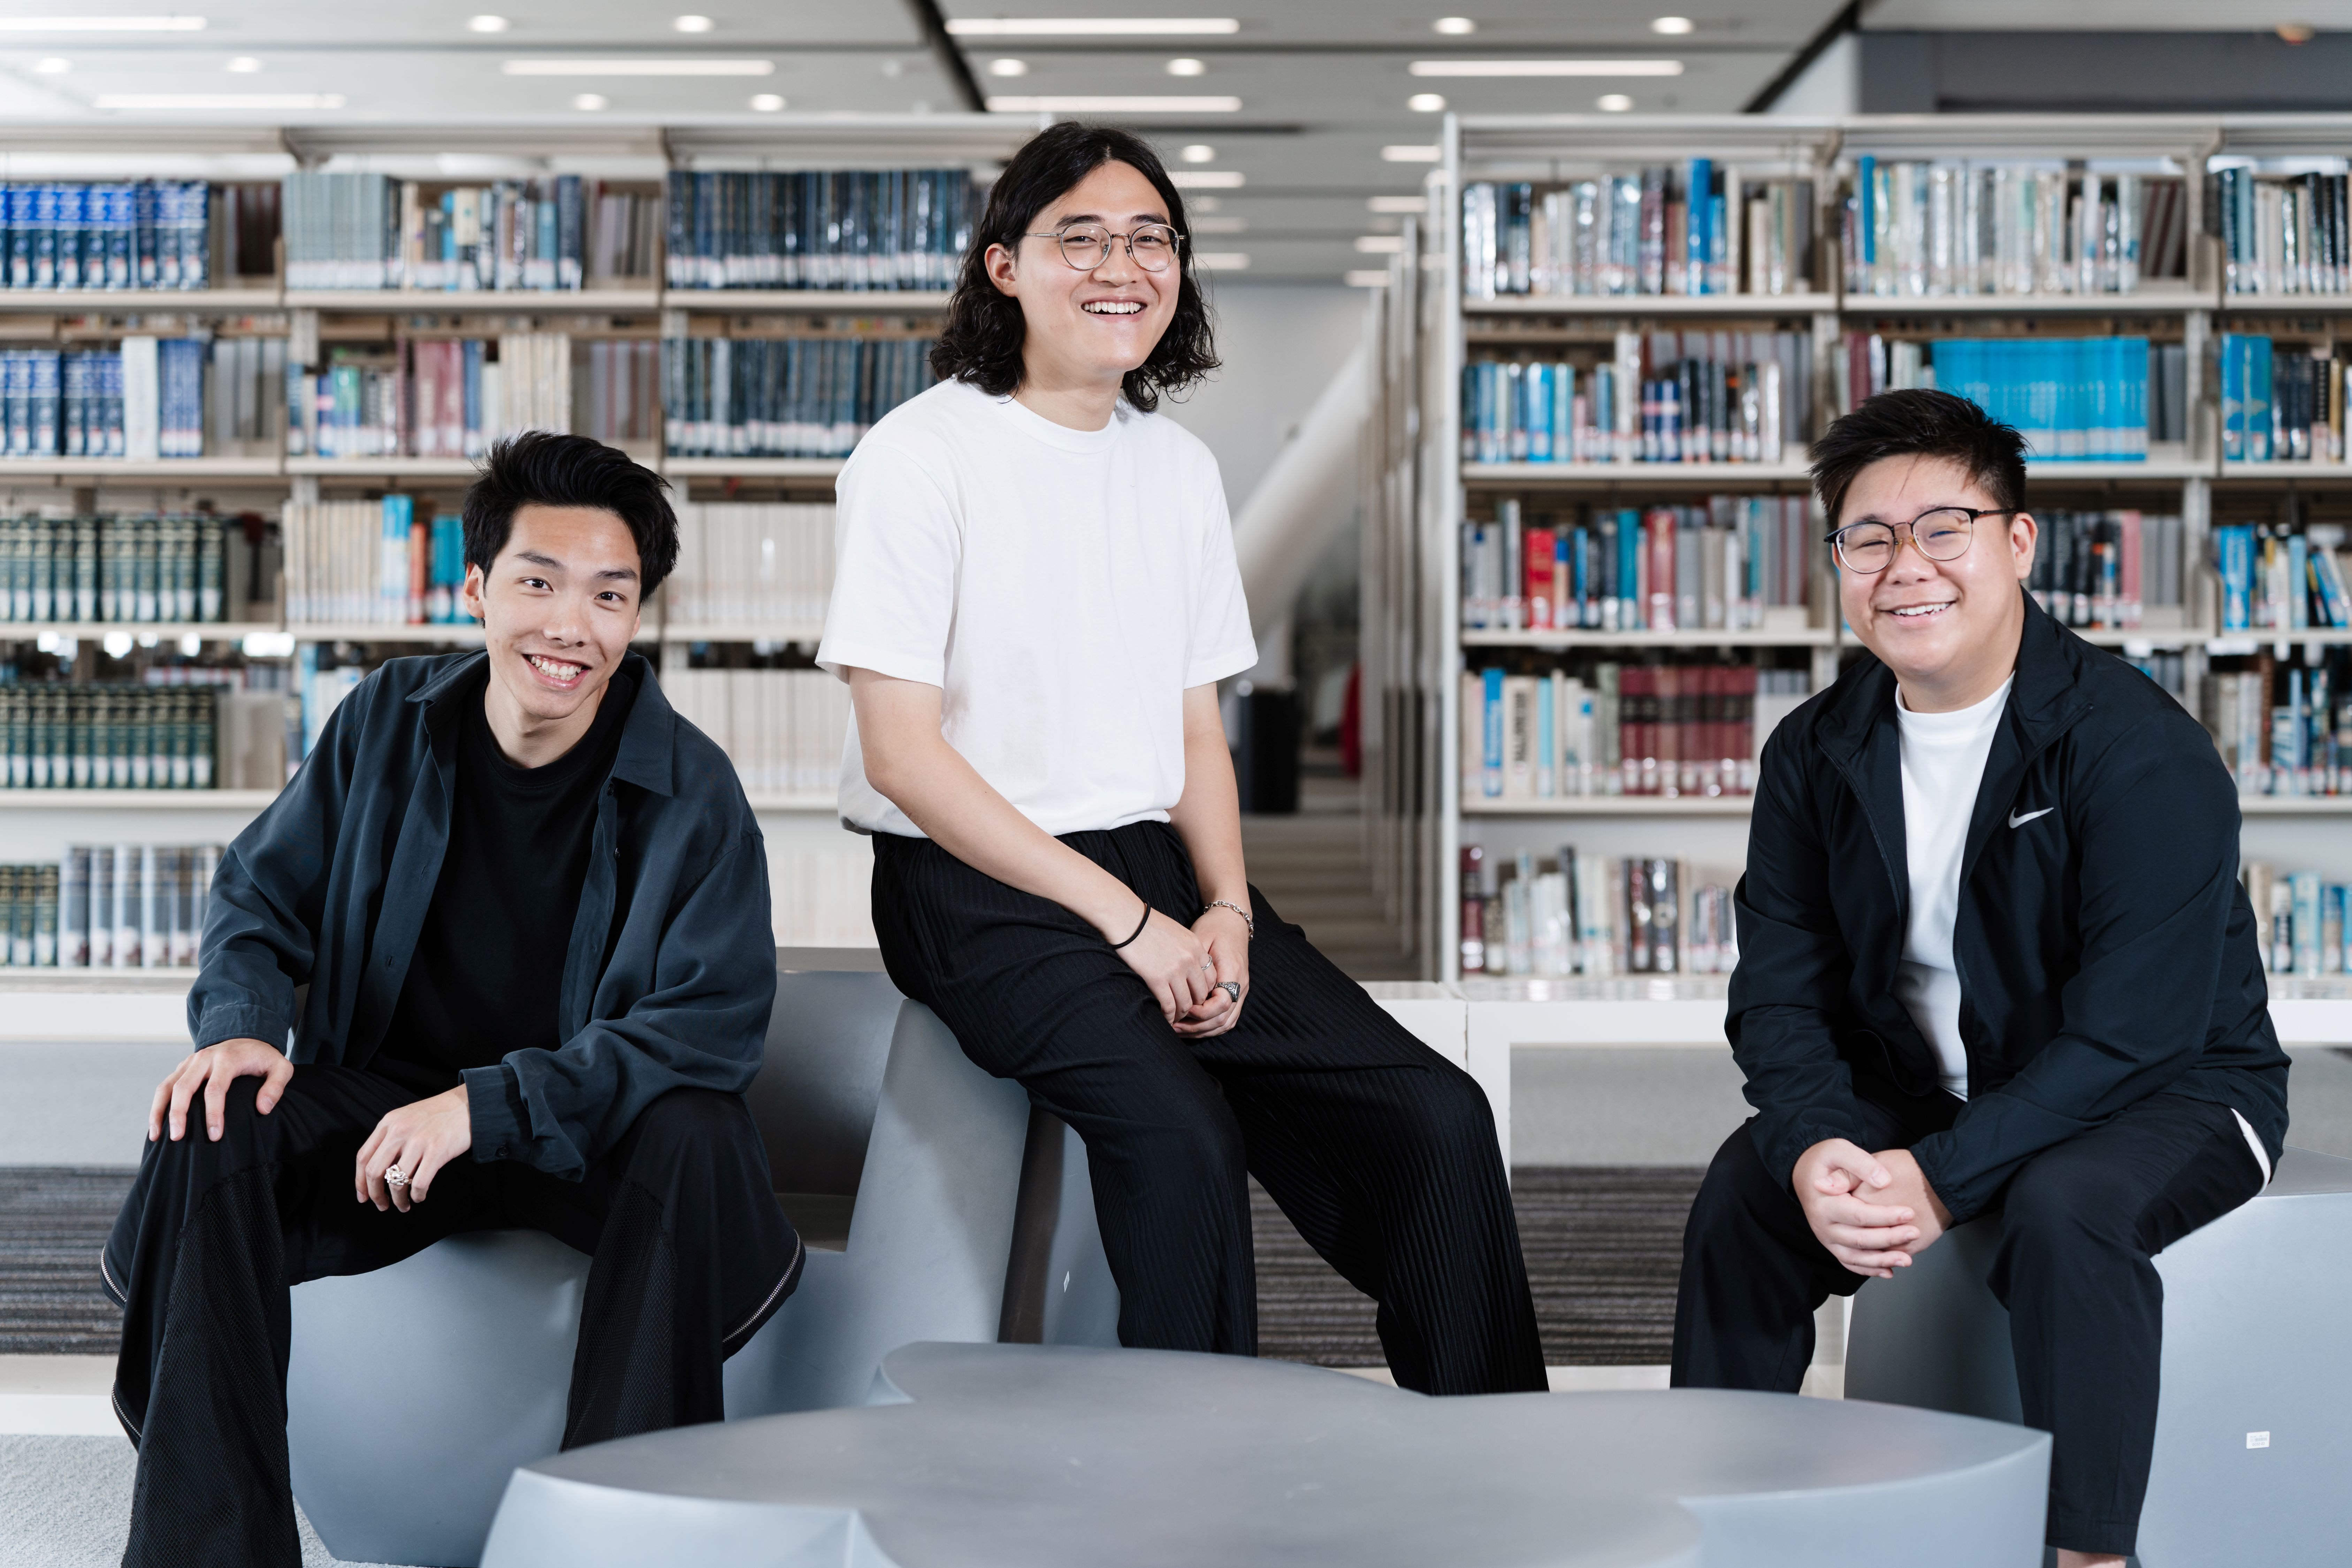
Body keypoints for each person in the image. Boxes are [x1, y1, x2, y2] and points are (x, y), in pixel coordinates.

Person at [816, 122, 1546, 1395]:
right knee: (1183, 1137)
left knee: (1436, 1115)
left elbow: (1195, 727)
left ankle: (1490, 1441)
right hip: (969, 882)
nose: (1123, 267)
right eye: (1082, 238)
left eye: (1150, 239)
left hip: (1150, 862)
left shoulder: (1177, 468)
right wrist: (1133, 929)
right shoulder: (916, 456)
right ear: (1003, 266)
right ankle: (1193, 1476)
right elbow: (904, 759)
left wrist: (1225, 914)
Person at [102, 433, 800, 1568]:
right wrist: (240, 1029)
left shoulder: (694, 786)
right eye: (539, 582)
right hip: (384, 1121)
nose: (571, 627)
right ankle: (211, 1548)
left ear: (637, 616)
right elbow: (257, 893)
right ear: (474, 588)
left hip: (580, 1135)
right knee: (213, 1112)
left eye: (609, 595)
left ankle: (616, 1540)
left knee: (697, 1125)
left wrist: (488, 1105)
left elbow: (709, 1022)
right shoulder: (387, 716)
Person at [1671, 388, 2289, 1566]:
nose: (1905, 568)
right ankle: (1716, 1521)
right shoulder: (1814, 747)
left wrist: (1941, 1178)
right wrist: (1812, 1143)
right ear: (1839, 563)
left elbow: (2134, 1032)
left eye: (1943, 529)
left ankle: (2089, 1552)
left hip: (2172, 1086)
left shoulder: (2137, 747)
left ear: (2016, 542)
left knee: (2065, 1208)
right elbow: (1777, 992)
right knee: (1745, 1192)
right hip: (1934, 1080)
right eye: (1868, 539)